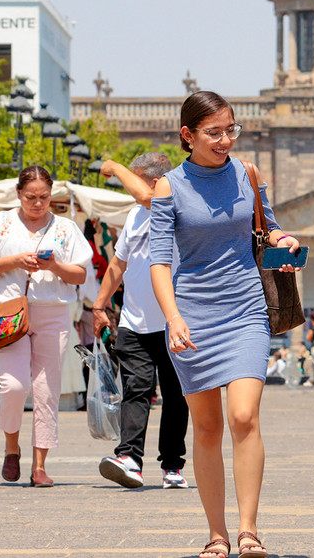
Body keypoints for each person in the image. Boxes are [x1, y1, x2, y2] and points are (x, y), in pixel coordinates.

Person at [149, 91, 301, 558]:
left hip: (245, 310)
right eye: (214, 132)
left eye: (231, 129)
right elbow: (158, 261)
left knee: (243, 416)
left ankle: (249, 529)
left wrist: (284, 239)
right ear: (187, 135)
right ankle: (216, 534)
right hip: (192, 317)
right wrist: (172, 317)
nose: (224, 140)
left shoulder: (247, 173)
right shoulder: (168, 188)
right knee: (208, 426)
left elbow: (267, 226)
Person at [0, 166, 93, 487]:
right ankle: (11, 448)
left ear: (51, 195)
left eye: (43, 197)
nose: (37, 204)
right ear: (18, 194)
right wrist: (15, 260)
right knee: (13, 385)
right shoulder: (2, 222)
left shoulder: (65, 228)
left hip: (52, 312)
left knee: (46, 388)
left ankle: (40, 465)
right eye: (30, 197)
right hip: (9, 312)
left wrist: (53, 265)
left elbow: (81, 275)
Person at [93, 154, 190, 489]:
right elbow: (118, 265)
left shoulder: (173, 202)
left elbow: (149, 197)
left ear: (153, 181)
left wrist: (115, 167)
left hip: (172, 321)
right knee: (137, 387)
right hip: (134, 322)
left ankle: (173, 465)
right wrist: (99, 306)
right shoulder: (134, 215)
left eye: (131, 180)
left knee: (177, 395)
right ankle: (129, 458)